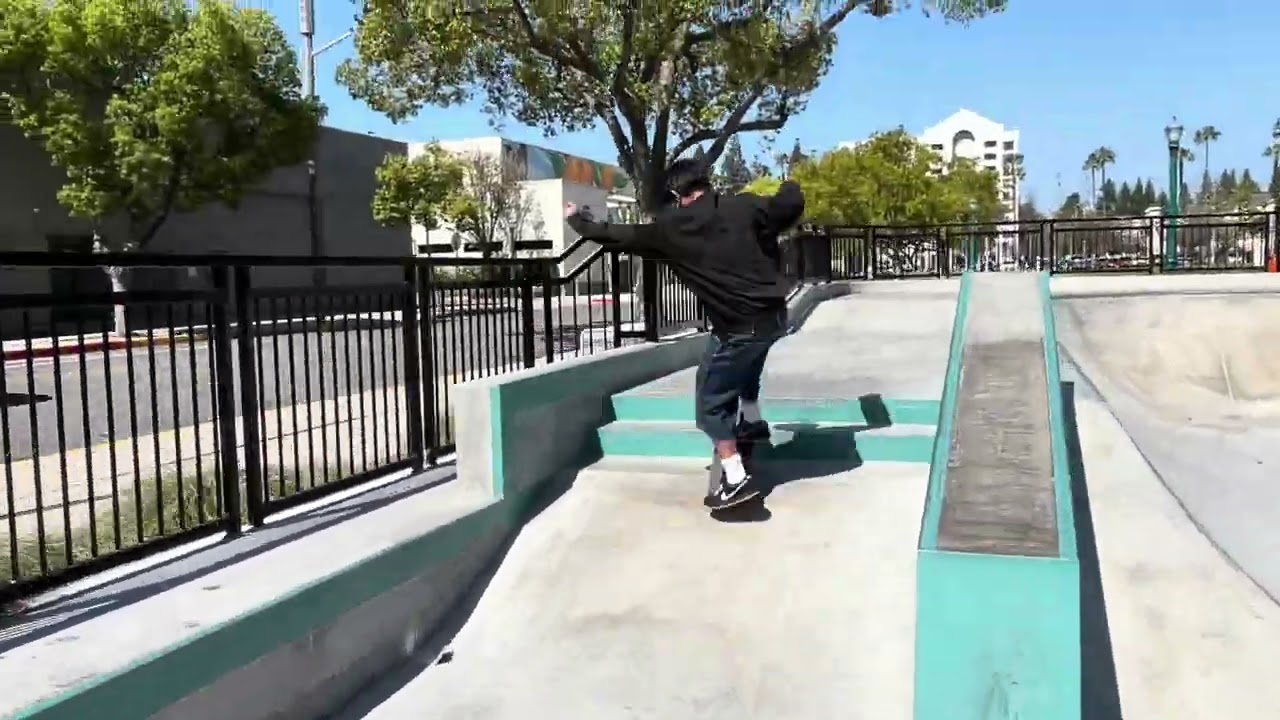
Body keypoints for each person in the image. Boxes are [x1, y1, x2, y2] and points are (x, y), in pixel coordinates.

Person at [564, 159, 805, 511]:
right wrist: (790, 184)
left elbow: (616, 236)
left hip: (737, 325)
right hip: (774, 318)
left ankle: (735, 480)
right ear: (705, 184)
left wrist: (576, 219)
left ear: (679, 195)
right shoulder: (746, 205)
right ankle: (751, 421)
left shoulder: (670, 227)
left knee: (710, 402)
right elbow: (789, 205)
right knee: (746, 359)